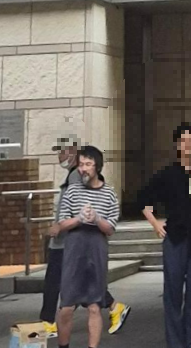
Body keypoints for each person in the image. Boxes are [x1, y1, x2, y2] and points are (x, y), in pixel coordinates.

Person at [138, 123, 191, 348]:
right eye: (183, 141)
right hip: (174, 237)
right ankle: (174, 343)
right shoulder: (168, 174)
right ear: (177, 145)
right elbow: (144, 198)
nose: (188, 145)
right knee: (173, 290)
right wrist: (155, 223)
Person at [43, 142, 128, 336]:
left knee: (61, 282)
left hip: (69, 242)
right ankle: (114, 307)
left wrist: (62, 226)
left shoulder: (78, 177)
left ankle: (50, 321)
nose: (60, 156)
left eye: (64, 151)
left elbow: (103, 221)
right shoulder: (73, 176)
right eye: (58, 152)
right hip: (67, 238)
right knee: (80, 284)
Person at [51, 145, 118, 348]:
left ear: (97, 167)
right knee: (66, 306)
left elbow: (111, 228)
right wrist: (79, 218)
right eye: (80, 164)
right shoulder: (71, 191)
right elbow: (61, 224)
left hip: (97, 247)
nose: (83, 169)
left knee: (94, 306)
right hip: (74, 247)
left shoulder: (109, 193)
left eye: (88, 164)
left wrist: (97, 218)